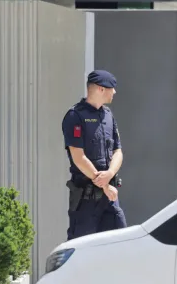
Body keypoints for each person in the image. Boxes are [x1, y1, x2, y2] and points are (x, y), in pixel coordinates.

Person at [61, 70, 127, 240]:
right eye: (112, 88)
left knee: (120, 242)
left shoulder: (108, 116)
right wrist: (103, 184)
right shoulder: (75, 116)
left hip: (109, 197)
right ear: (100, 89)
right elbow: (79, 158)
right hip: (86, 200)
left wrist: (110, 174)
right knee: (82, 247)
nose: (115, 92)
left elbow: (118, 151)